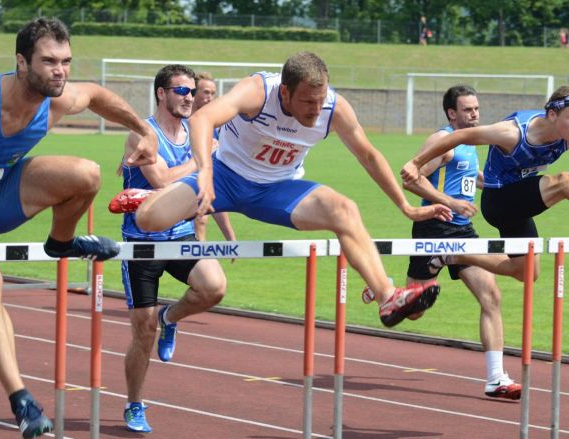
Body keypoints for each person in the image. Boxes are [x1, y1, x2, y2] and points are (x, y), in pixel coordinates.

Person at [111, 51, 453, 328]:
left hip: (278, 190)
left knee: (344, 209)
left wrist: (405, 207)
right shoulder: (259, 91)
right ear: (285, 92)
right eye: (307, 103)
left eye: (320, 102)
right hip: (225, 178)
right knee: (148, 220)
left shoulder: (333, 108)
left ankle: (387, 296)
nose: (315, 111)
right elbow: (203, 120)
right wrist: (203, 172)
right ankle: (150, 197)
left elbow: (368, 155)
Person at [0, 18, 158, 438]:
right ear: (20, 62)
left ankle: (62, 242)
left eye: (66, 61)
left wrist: (144, 130)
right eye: (49, 61)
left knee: (86, 174)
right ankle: (22, 401)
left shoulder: (58, 100)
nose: (60, 70)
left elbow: (98, 96)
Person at [401, 85, 569, 281]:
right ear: (552, 114)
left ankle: (452, 255)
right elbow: (460, 136)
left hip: (519, 203)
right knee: (563, 181)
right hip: (498, 199)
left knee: (527, 273)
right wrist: (417, 161)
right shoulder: (513, 132)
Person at [115, 64, 233, 433]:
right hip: (142, 245)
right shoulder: (142, 134)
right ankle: (135, 403)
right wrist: (202, 159)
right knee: (142, 332)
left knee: (214, 287)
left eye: (193, 91)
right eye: (181, 91)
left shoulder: (195, 132)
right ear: (161, 94)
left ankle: (171, 318)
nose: (190, 97)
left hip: (180, 237)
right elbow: (163, 179)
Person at [400, 85, 520, 399]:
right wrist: (450, 203)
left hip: (463, 232)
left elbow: (470, 175)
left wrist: (501, 187)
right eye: (468, 110)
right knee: (413, 311)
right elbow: (412, 179)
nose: (475, 114)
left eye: (477, 108)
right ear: (452, 113)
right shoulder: (442, 141)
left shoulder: (469, 141)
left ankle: (497, 377)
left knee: (491, 295)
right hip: (435, 229)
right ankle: (385, 289)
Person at [192, 71, 220, 241]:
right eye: (206, 92)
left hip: (203, 184)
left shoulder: (215, 125)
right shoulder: (180, 120)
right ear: (194, 92)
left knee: (202, 221)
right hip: (175, 186)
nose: (210, 98)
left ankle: (199, 257)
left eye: (213, 93)